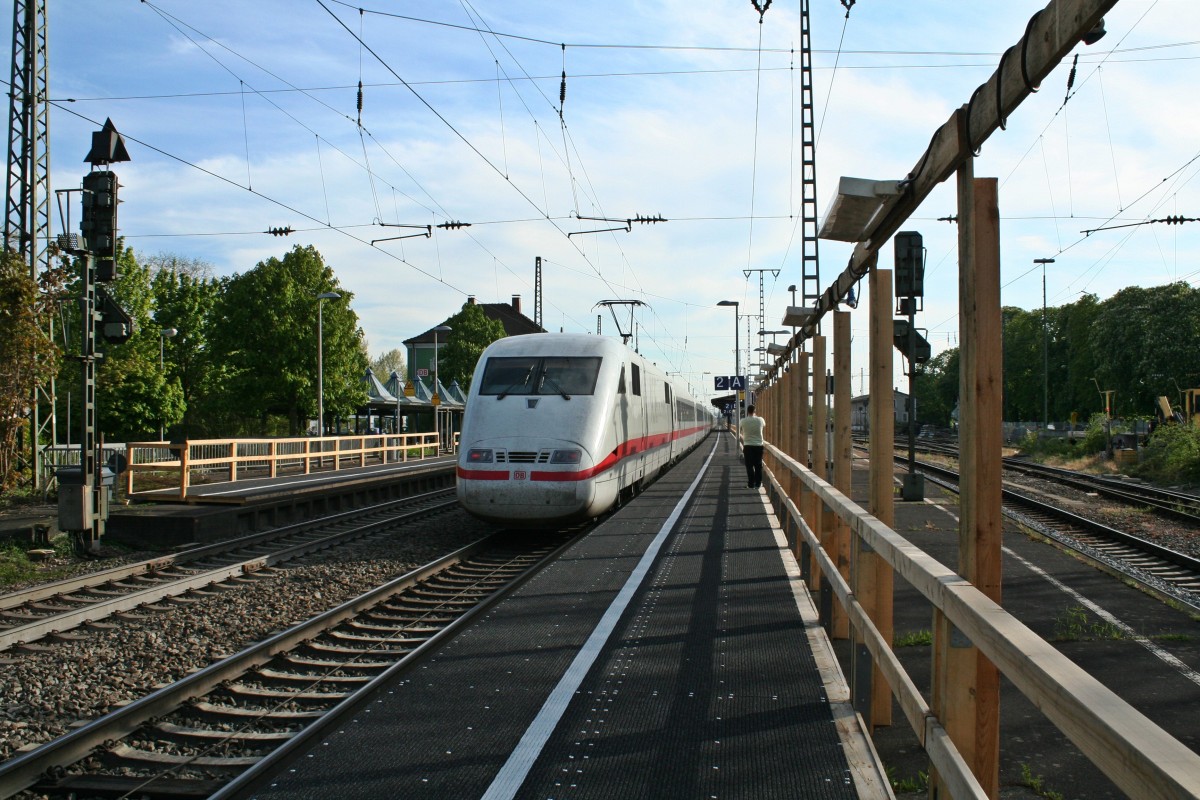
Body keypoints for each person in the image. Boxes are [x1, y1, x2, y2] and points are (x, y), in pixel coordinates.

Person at [739, 404, 765, 489]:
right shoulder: (760, 420)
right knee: (758, 465)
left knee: (749, 466)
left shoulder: (743, 421)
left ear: (747, 412)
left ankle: (750, 484)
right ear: (755, 411)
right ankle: (758, 484)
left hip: (748, 446)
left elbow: (740, 430)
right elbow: (763, 426)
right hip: (758, 446)